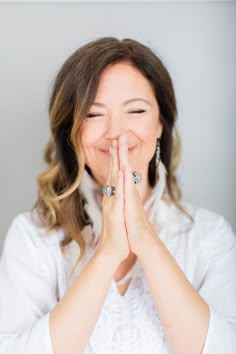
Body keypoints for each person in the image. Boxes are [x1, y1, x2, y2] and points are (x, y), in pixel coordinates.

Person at [0, 37, 235, 354]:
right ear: (72, 131)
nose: (116, 132)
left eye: (136, 110)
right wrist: (108, 251)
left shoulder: (208, 235)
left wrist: (146, 242)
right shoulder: (32, 237)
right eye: (94, 115)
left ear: (160, 126)